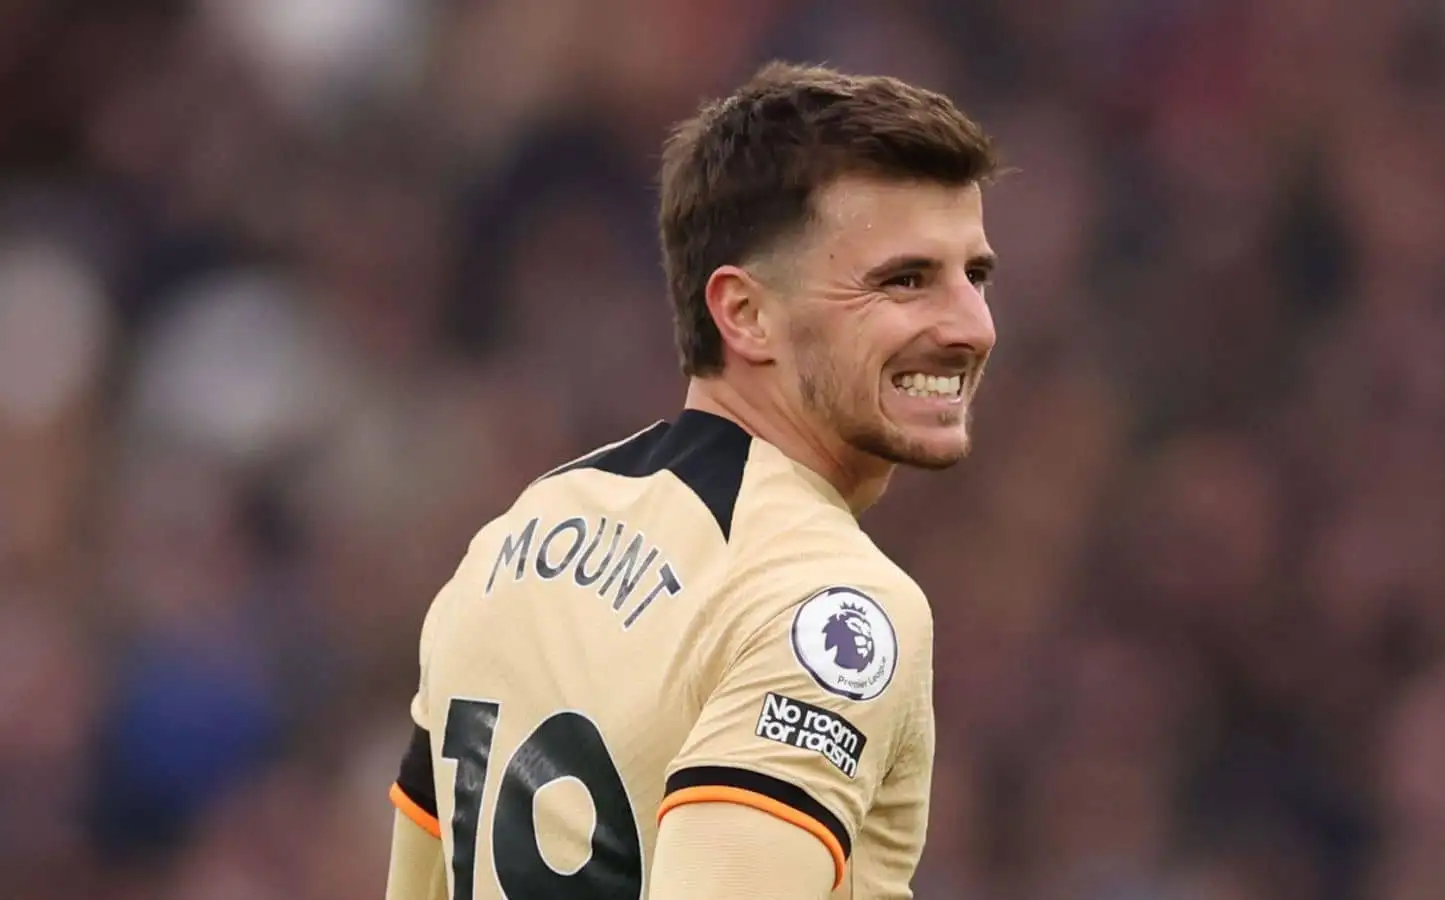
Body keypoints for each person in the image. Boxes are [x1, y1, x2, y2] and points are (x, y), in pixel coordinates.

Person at [385, 61, 1000, 900]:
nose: (972, 325)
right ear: (744, 313)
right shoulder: (826, 603)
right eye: (904, 280)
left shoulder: (510, 541)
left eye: (975, 276)